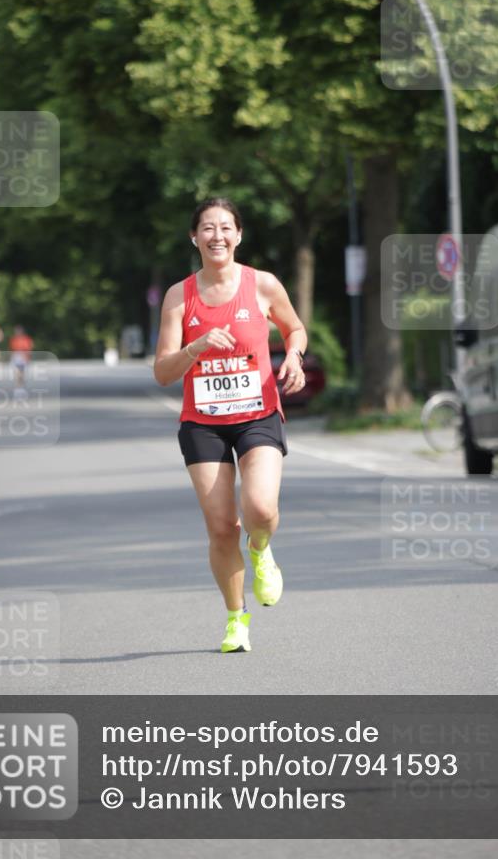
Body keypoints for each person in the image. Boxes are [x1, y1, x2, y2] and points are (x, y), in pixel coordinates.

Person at [154, 197, 307, 653]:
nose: (216, 235)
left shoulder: (262, 285)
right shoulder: (180, 297)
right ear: (194, 237)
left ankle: (261, 549)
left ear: (238, 235)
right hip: (203, 424)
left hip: (257, 413)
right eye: (207, 228)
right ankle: (236, 618)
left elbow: (293, 328)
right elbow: (163, 372)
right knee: (222, 527)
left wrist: (294, 355)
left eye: (225, 227)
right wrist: (194, 346)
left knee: (259, 509)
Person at [8, 325, 34, 392]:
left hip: (23, 357)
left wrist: (28, 357)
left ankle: (21, 387)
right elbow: (12, 349)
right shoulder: (13, 339)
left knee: (22, 373)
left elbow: (29, 349)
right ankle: (18, 387)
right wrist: (11, 357)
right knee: (17, 373)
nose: (17, 332)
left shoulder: (26, 339)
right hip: (16, 356)